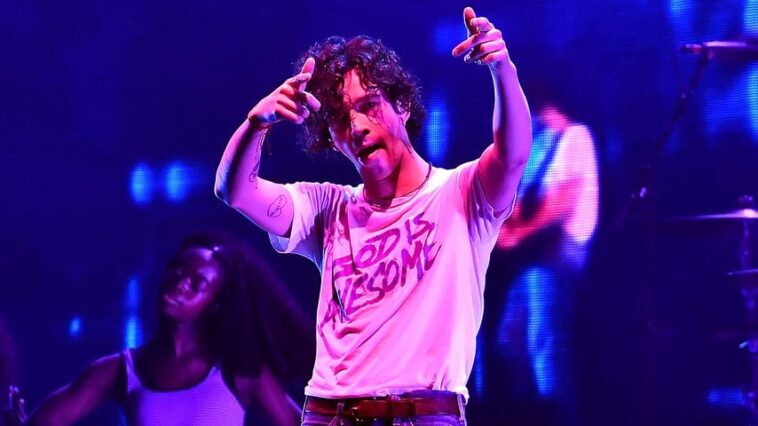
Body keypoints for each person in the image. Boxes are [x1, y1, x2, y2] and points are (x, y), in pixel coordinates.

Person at [215, 6, 531, 425]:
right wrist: (257, 124)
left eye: (369, 105)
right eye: (340, 119)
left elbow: (513, 154)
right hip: (331, 414)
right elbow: (234, 190)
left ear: (402, 106)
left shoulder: (461, 193)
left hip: (423, 415)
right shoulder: (326, 208)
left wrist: (502, 69)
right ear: (332, 139)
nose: (357, 126)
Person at [27, 231, 312, 426]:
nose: (180, 283)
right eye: (177, 271)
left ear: (215, 303)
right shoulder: (120, 371)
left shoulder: (238, 371)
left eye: (197, 283)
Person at [483, 96, 598, 424]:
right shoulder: (540, 142)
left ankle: (558, 416)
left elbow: (564, 199)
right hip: (532, 259)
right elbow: (523, 196)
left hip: (559, 256)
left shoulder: (575, 136)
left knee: (544, 343)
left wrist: (520, 233)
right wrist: (506, 228)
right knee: (509, 339)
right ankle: (531, 413)